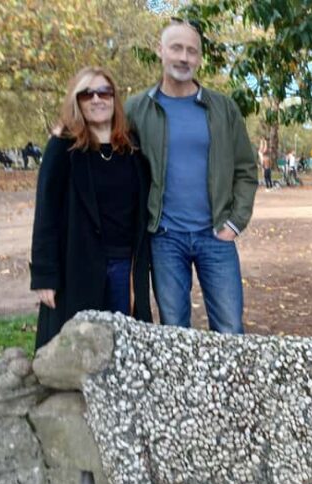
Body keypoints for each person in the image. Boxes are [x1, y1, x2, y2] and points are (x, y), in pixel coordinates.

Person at [125, 19, 257, 332]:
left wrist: (235, 222)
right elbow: (109, 153)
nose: (184, 57)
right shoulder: (136, 110)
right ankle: (184, 383)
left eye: (192, 51)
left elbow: (246, 170)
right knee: (174, 329)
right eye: (176, 48)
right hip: (165, 237)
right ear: (160, 51)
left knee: (229, 329)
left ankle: (228, 383)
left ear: (198, 58)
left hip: (215, 235)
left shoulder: (223, 109)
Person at [30, 66, 152, 349]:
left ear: (114, 98)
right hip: (79, 263)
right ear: (77, 102)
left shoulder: (132, 147)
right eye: (87, 94)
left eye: (104, 92)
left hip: (124, 266)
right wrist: (44, 276)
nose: (97, 99)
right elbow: (45, 214)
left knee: (121, 345)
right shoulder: (63, 148)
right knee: (79, 346)